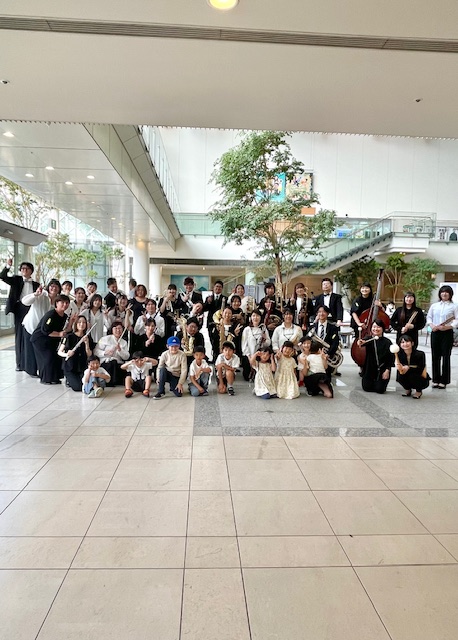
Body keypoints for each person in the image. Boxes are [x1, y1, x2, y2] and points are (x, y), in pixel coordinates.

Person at [0, 257, 40, 371]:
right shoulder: (16, 280)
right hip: (19, 309)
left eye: (27, 269)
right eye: (22, 268)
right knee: (19, 335)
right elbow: (2, 276)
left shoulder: (36, 284)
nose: (24, 270)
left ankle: (31, 362)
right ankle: (19, 363)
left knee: (30, 334)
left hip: (32, 309)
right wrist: (8, 266)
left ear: (31, 271)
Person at [30, 295, 76, 385]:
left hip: (51, 340)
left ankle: (55, 378)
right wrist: (58, 334)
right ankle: (45, 379)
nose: (65, 305)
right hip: (40, 340)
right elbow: (45, 330)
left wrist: (71, 322)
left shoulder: (64, 316)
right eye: (62, 302)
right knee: (47, 358)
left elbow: (66, 330)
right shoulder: (51, 315)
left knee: (55, 358)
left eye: (67, 303)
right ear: (57, 303)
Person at [21, 279, 62, 377]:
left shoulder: (58, 301)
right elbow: (24, 302)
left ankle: (41, 370)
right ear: (48, 287)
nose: (54, 288)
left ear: (59, 289)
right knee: (30, 351)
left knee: (41, 351)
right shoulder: (41, 295)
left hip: (43, 330)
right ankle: (31, 371)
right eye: (52, 286)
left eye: (56, 286)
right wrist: (35, 294)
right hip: (31, 326)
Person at [426, 285, 458, 389]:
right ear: (440, 294)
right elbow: (429, 317)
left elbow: (456, 320)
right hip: (435, 332)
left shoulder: (454, 306)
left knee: (446, 356)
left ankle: (444, 381)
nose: (444, 294)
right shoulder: (434, 305)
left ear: (450, 294)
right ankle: (435, 380)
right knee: (435, 356)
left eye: (446, 292)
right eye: (442, 292)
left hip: (447, 333)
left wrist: (448, 327)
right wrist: (432, 326)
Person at [58, 315, 95, 391]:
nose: (82, 324)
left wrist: (87, 344)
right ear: (76, 324)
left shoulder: (88, 338)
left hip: (82, 367)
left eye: (84, 322)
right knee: (78, 387)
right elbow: (59, 352)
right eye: (79, 322)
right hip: (70, 367)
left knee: (87, 383)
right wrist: (67, 354)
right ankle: (68, 379)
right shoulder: (69, 337)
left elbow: (89, 355)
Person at [357, 319, 394, 394]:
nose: (376, 329)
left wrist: (387, 370)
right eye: (374, 327)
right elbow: (362, 342)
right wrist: (360, 342)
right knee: (367, 388)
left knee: (380, 390)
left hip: (382, 369)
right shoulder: (369, 339)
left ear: (382, 329)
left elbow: (391, 358)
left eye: (378, 327)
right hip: (369, 369)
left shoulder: (387, 342)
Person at [94, 321, 130, 386]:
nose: (118, 330)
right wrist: (105, 353)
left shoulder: (124, 342)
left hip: (117, 364)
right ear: (112, 330)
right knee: (111, 363)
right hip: (105, 363)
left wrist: (120, 350)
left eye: (120, 328)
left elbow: (126, 357)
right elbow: (96, 351)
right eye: (116, 328)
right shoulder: (105, 339)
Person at [395, 335, 430, 399]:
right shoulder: (399, 354)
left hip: (418, 374)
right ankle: (407, 389)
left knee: (413, 376)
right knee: (400, 376)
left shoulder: (420, 354)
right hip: (406, 373)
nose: (405, 344)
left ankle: (418, 391)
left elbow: (421, 368)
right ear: (399, 345)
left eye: (407, 341)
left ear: (412, 343)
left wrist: (408, 368)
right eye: (402, 342)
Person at [310, 305, 341, 376]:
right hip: (314, 356)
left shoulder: (333, 327)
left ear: (327, 314)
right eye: (319, 312)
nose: (321, 314)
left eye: (324, 312)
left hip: (327, 356)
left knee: (326, 378)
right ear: (317, 314)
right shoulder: (312, 327)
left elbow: (335, 343)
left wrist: (328, 354)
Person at [241, 309, 271, 381]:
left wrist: (264, 340)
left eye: (257, 316)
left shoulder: (263, 329)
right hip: (249, 356)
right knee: (247, 377)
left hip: (260, 357)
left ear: (260, 318)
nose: (255, 318)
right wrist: (250, 358)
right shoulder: (247, 329)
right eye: (253, 316)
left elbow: (268, 343)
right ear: (251, 317)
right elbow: (244, 346)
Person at [203, 280, 228, 361]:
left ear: (222, 289)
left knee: (219, 340)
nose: (218, 288)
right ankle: (214, 355)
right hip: (210, 323)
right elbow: (204, 309)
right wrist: (208, 302)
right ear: (213, 288)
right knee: (212, 340)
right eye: (216, 286)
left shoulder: (225, 298)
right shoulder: (209, 298)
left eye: (220, 287)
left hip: (220, 323)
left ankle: (218, 357)